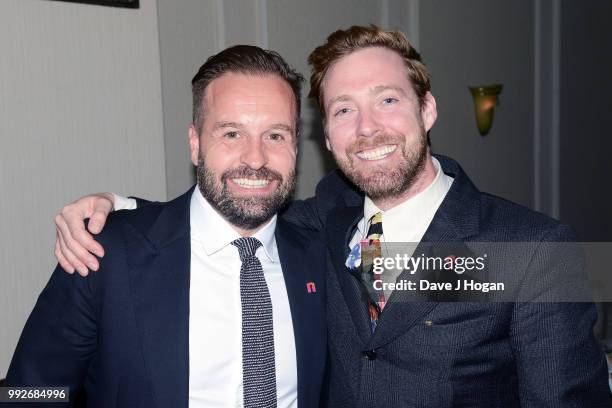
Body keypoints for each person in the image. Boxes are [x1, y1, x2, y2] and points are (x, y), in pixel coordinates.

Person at [51, 26, 611, 406]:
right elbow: (231, 203)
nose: (367, 128)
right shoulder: (327, 221)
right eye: (344, 109)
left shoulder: (533, 252)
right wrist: (119, 209)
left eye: (387, 100)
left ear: (428, 109)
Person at [5, 45, 327, 408]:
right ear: (194, 144)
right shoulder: (104, 254)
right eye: (232, 134)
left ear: (296, 146)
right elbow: (26, 393)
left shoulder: (323, 256)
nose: (255, 158)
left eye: (275, 136)